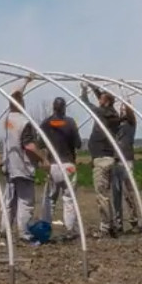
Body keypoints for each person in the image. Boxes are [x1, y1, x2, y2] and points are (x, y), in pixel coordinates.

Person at [1, 74, 46, 242]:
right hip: (23, 167)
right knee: (25, 201)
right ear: (22, 104)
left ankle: (5, 230)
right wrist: (43, 158)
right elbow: (29, 145)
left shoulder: (7, 119)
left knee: (9, 201)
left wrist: (25, 82)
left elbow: (15, 94)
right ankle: (24, 233)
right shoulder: (24, 122)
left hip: (9, 166)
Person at [80, 82, 121, 237]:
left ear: (107, 102)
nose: (99, 101)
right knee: (105, 194)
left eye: (101, 100)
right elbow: (104, 100)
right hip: (109, 158)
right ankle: (111, 224)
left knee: (101, 195)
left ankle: (105, 227)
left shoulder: (101, 113)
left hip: (101, 160)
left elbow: (85, 102)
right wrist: (94, 88)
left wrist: (84, 90)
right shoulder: (113, 114)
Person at [39, 96, 82, 241]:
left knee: (50, 199)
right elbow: (78, 144)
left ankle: (45, 229)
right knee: (69, 198)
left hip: (53, 165)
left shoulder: (46, 123)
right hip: (68, 165)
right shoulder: (70, 122)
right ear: (64, 108)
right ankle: (70, 230)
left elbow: (40, 144)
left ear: (53, 107)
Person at [112, 97, 140, 233]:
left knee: (128, 193)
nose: (122, 110)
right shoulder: (117, 124)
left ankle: (134, 221)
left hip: (126, 160)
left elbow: (129, 114)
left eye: (124, 108)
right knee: (116, 194)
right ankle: (118, 223)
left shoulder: (131, 122)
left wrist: (126, 101)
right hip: (115, 161)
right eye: (121, 108)